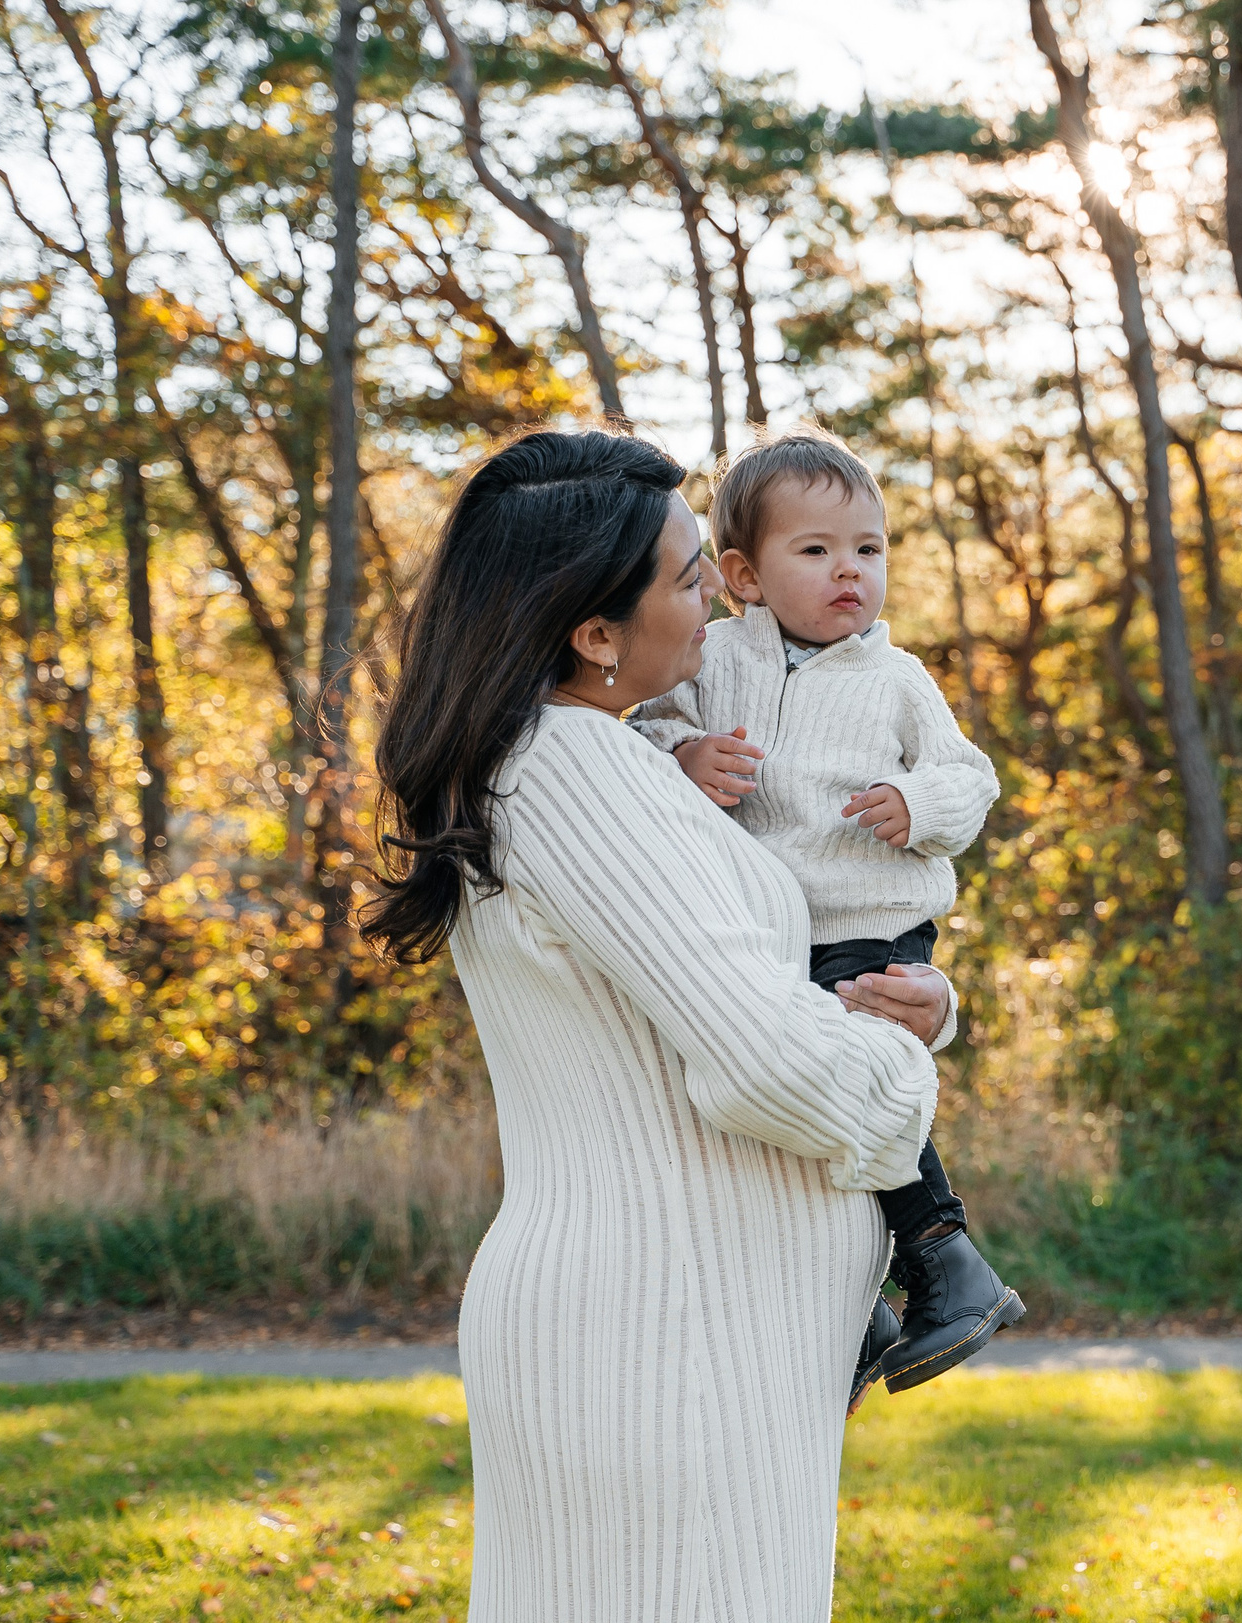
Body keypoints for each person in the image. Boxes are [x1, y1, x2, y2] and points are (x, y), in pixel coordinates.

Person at [364, 429, 952, 1623]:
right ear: (593, 631)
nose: (713, 610)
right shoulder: (577, 773)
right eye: (690, 580)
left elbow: (727, 1001)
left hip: (693, 1329)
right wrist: (904, 1071)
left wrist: (917, 1006)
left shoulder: (589, 763)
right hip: (671, 1334)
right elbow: (768, 1063)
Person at [631, 426, 1022, 1395]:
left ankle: (943, 1259)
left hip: (871, 921)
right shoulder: (712, 658)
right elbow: (645, 728)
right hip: (762, 931)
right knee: (764, 1110)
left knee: (847, 1086)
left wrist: (916, 806)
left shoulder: (895, 678)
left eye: (869, 549)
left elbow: (969, 780)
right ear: (742, 575)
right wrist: (684, 756)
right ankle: (853, 1311)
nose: (849, 571)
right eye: (815, 551)